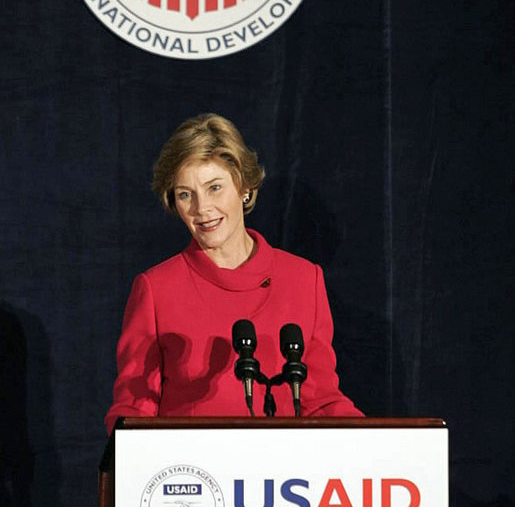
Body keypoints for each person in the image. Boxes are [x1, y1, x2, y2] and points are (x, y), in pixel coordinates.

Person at [105, 114, 363, 434]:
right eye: (186, 194)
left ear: (244, 186)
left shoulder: (303, 280)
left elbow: (321, 400)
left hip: (283, 476)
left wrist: (377, 447)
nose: (202, 209)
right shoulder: (156, 290)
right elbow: (135, 405)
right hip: (193, 478)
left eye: (214, 188)